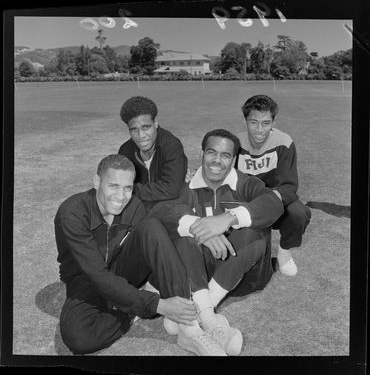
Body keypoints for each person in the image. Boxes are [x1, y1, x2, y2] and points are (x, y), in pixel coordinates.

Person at [54, 154, 228, 356]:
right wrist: (157, 305)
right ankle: (135, 309)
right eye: (113, 186)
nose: (121, 196)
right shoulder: (72, 213)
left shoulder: (133, 206)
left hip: (122, 270)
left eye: (127, 188)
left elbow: (159, 225)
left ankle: (189, 328)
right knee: (78, 338)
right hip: (86, 279)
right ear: (96, 182)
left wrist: (199, 228)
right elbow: (98, 276)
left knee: (153, 227)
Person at [150, 129, 283, 355]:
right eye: (211, 152)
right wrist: (201, 226)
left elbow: (273, 204)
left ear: (234, 159)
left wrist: (228, 219)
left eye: (225, 155)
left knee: (257, 230)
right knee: (183, 237)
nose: (217, 160)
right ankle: (208, 318)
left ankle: (192, 312)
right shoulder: (185, 184)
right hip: (196, 271)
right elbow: (160, 211)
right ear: (202, 153)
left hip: (241, 274)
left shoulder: (245, 183)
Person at [236, 94, 311, 276]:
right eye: (254, 122)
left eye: (266, 123)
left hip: (275, 200)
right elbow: (221, 173)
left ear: (273, 122)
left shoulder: (284, 142)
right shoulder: (235, 143)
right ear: (245, 120)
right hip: (246, 202)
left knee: (299, 213)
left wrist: (266, 203)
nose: (260, 129)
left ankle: (284, 253)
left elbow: (288, 186)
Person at [118, 96, 188, 212]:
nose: (141, 136)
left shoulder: (171, 146)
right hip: (138, 212)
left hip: (169, 211)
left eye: (146, 127)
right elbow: (119, 187)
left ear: (155, 123)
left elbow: (172, 189)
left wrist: (130, 189)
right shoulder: (125, 151)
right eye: (134, 129)